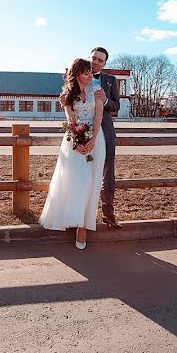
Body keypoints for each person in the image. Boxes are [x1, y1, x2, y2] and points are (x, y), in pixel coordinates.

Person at [40, 58, 107, 249]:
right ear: (77, 74)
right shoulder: (67, 94)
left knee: (91, 183)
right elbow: (70, 120)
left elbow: (99, 117)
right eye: (86, 72)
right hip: (74, 140)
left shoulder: (97, 92)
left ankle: (83, 227)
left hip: (96, 139)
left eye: (90, 72)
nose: (90, 74)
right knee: (78, 181)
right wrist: (77, 142)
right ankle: (71, 217)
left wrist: (93, 139)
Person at [60, 47, 121, 228]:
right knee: (79, 173)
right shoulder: (77, 74)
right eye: (94, 58)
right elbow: (68, 97)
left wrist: (107, 101)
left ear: (104, 64)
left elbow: (117, 105)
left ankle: (107, 213)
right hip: (80, 129)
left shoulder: (110, 81)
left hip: (104, 131)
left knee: (107, 172)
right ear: (89, 58)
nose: (95, 62)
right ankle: (78, 215)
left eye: (100, 60)